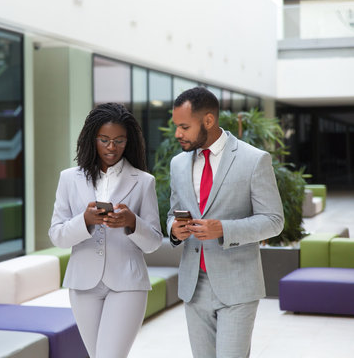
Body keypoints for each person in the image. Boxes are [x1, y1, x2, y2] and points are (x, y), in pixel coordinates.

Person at [167, 87, 284, 358]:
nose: (177, 134)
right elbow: (173, 212)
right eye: (176, 126)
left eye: (185, 126)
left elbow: (274, 221)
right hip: (193, 287)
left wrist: (224, 229)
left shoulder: (254, 160)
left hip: (237, 285)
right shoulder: (177, 164)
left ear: (208, 121)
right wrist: (174, 229)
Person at [49, 102, 163, 358]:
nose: (112, 147)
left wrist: (132, 223)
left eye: (119, 141)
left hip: (127, 282)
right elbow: (56, 235)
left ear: (129, 141)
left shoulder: (144, 181)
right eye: (104, 140)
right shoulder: (69, 178)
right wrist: (85, 220)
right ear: (93, 138)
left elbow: (154, 241)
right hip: (83, 284)